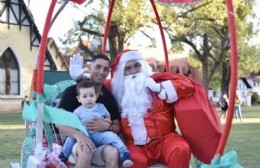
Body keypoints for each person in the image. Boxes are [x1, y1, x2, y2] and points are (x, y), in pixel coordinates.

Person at [104, 50, 222, 167]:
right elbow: (93, 86)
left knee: (180, 148)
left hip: (166, 140)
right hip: (135, 145)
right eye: (128, 68)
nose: (133, 71)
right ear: (121, 73)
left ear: (143, 66)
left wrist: (160, 88)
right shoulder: (116, 88)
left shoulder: (158, 81)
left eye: (136, 66)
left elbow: (188, 86)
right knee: (132, 159)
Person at [56, 54, 121, 168]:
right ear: (90, 68)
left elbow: (117, 127)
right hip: (75, 142)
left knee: (113, 152)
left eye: (105, 69)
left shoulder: (108, 98)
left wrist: (107, 126)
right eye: (98, 67)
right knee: (86, 150)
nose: (101, 72)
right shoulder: (73, 92)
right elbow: (59, 122)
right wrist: (78, 135)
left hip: (100, 143)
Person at [59, 80, 133, 167]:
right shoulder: (78, 111)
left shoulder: (101, 107)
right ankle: (63, 156)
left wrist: (107, 122)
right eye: (85, 96)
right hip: (84, 135)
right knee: (70, 139)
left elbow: (107, 116)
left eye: (91, 95)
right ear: (79, 99)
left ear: (96, 96)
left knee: (112, 136)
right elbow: (71, 123)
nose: (89, 98)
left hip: (99, 135)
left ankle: (124, 154)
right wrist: (77, 132)